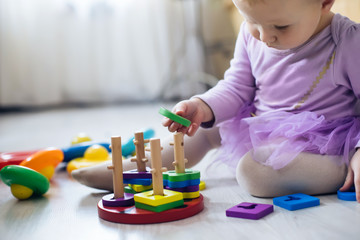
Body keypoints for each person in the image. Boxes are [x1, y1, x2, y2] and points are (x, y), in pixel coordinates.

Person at [72, 0, 360, 202]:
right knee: (204, 131)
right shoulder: (256, 36)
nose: (265, 37)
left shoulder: (347, 42)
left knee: (252, 172)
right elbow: (236, 87)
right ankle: (131, 170)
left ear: (325, 1)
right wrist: (202, 106)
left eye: (281, 27)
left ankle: (345, 168)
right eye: (251, 21)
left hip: (322, 143)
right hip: (262, 126)